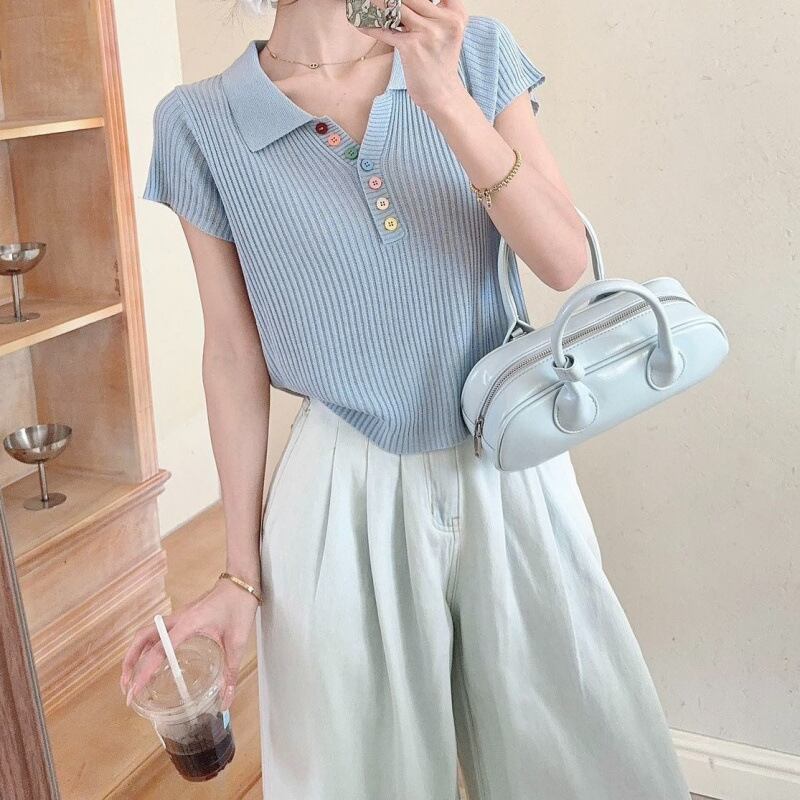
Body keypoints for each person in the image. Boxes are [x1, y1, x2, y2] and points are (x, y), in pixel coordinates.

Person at [120, 1, 692, 797]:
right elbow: (232, 353)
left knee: (583, 763)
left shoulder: (474, 53)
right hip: (341, 493)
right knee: (360, 777)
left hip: (508, 466)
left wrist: (446, 100)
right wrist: (238, 578)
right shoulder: (199, 122)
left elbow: (564, 261)